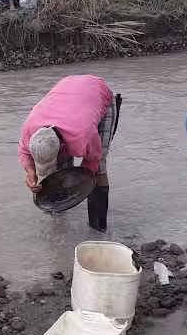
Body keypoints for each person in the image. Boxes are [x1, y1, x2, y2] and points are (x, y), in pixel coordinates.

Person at [19, 75, 120, 231]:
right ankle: (59, 226)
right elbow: (24, 154)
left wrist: (79, 187)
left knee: (99, 170)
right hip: (67, 89)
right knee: (58, 172)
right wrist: (30, 172)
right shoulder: (29, 131)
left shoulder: (83, 136)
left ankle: (98, 229)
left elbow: (93, 162)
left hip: (97, 94)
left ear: (61, 146)